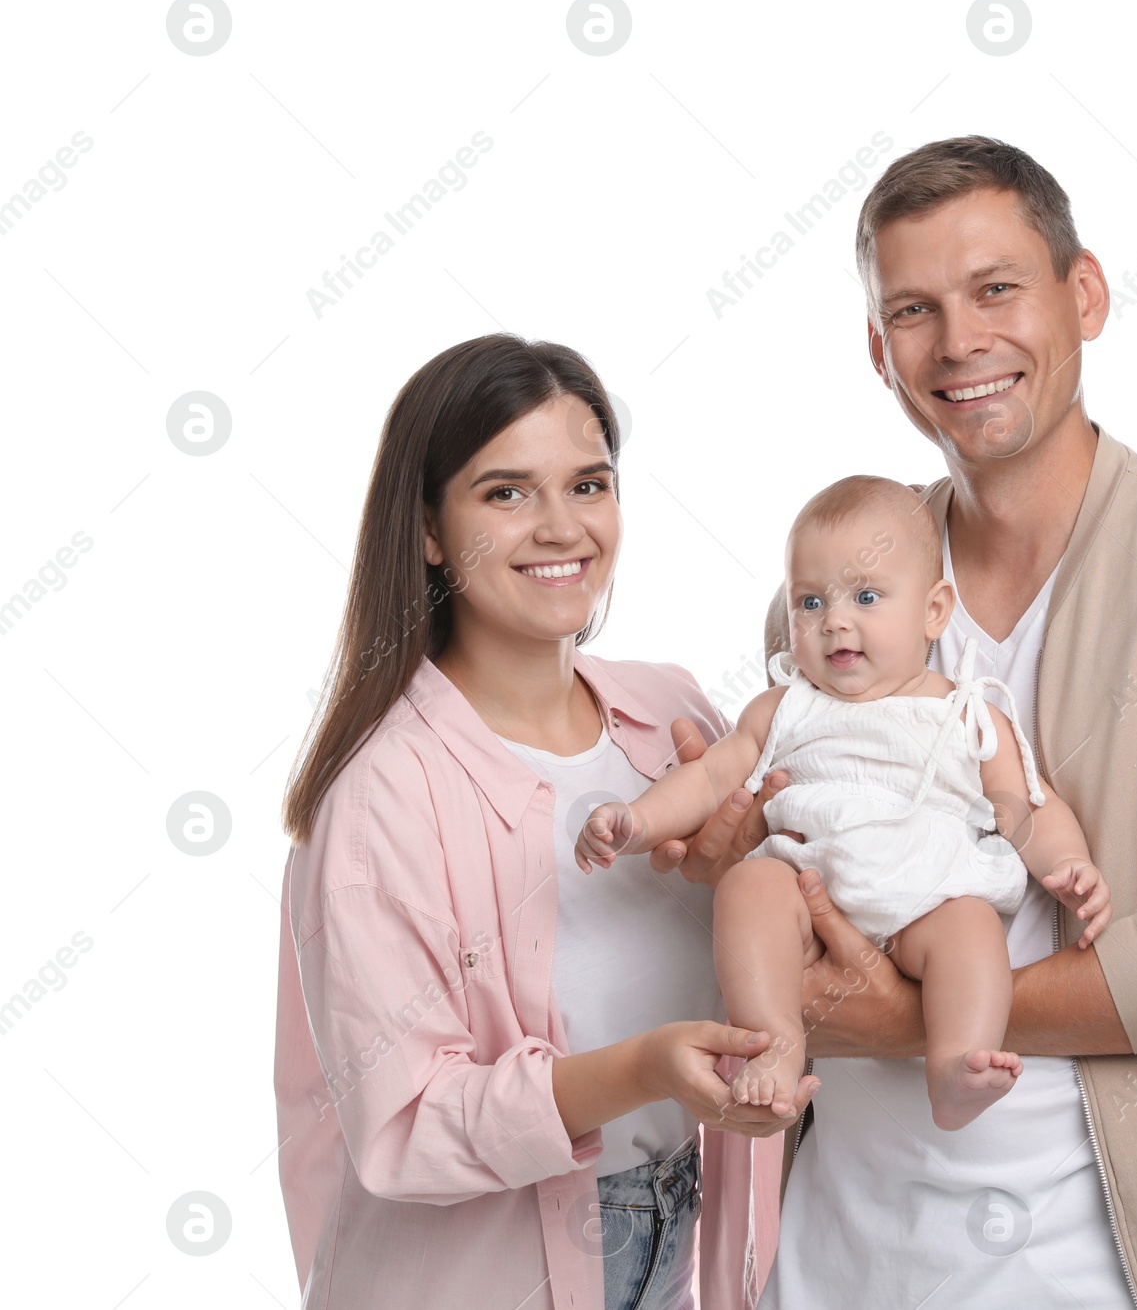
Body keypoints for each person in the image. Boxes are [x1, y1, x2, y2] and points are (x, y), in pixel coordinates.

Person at [657, 138, 1137, 1309]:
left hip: (1118, 1275)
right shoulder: (832, 599)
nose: (960, 342)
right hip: (834, 1265)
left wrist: (906, 1020)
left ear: (1081, 294)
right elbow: (809, 887)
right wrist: (729, 861)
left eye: (996, 290)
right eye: (915, 311)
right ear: (880, 355)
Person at [273, 334, 812, 1310]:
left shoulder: (675, 720)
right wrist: (640, 1069)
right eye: (506, 492)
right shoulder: (383, 793)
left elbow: (803, 930)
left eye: (589, 484)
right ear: (430, 528)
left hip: (678, 1243)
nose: (562, 527)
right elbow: (405, 1124)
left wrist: (755, 874)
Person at [575, 476, 1111, 1131]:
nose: (835, 619)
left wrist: (1070, 863)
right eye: (810, 601)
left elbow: (1027, 803)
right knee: (749, 887)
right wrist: (639, 821)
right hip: (807, 885)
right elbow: (713, 776)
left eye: (865, 596)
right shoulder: (786, 706)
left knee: (971, 932)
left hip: (930, 895)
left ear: (934, 610)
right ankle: (775, 1042)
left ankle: (955, 1061)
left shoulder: (966, 711)